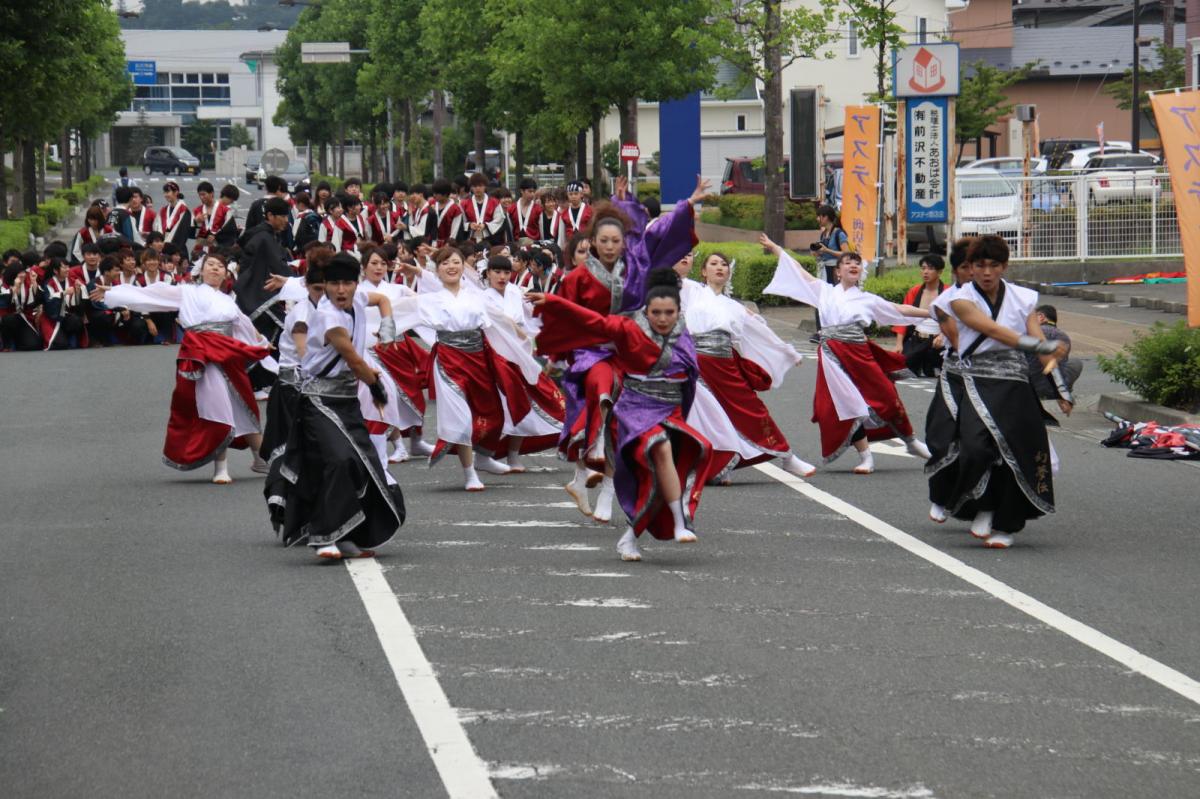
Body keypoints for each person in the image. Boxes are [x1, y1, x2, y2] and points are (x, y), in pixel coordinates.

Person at [530, 269, 718, 562]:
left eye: (669, 312)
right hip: (634, 411)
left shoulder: (683, 336)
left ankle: (629, 538)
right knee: (661, 447)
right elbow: (591, 319)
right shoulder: (628, 328)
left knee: (668, 469)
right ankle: (680, 521)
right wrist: (553, 302)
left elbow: (689, 382)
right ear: (646, 310)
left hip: (670, 410)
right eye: (656, 312)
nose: (663, 318)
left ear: (679, 312)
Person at [549, 175, 705, 523]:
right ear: (591, 242)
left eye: (615, 240)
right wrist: (556, 356)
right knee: (603, 391)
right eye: (602, 240)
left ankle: (601, 488)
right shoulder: (575, 279)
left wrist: (688, 203)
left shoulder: (636, 264)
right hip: (592, 354)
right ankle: (590, 463)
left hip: (629, 350)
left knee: (619, 424)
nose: (609, 246)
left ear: (623, 243)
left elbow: (654, 234)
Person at [266, 252, 406, 559]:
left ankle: (346, 535)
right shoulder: (328, 316)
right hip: (318, 399)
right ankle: (323, 535)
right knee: (339, 460)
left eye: (346, 283)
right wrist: (376, 386)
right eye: (333, 284)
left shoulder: (357, 299)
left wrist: (387, 328)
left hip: (347, 398)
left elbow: (382, 300)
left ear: (356, 284)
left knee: (359, 464)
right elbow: (354, 359)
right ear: (325, 286)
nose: (340, 290)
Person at [91, 253, 273, 483]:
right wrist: (114, 292)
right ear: (201, 270)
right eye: (211, 265)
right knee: (218, 405)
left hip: (226, 354)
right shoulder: (187, 292)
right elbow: (152, 294)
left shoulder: (228, 300)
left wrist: (262, 342)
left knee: (243, 404)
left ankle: (261, 459)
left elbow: (244, 325)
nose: (215, 269)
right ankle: (221, 466)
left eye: (220, 266)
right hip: (201, 352)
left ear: (226, 273)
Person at [935, 235, 1069, 548]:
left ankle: (1005, 525)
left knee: (1015, 455)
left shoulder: (1023, 298)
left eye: (994, 265)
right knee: (976, 449)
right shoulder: (960, 299)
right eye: (979, 265)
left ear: (1003, 266)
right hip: (977, 380)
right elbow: (995, 331)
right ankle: (983, 505)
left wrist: (1060, 382)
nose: (986, 272)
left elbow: (1038, 343)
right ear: (970, 267)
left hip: (1015, 382)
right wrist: (1044, 344)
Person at [761, 235, 932, 474]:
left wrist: (930, 313)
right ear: (837, 272)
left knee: (885, 395)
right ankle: (866, 457)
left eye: (857, 263)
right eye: (847, 263)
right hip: (832, 355)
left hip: (860, 354)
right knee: (845, 404)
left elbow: (899, 310)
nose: (853, 265)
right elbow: (799, 272)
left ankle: (911, 441)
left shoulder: (867, 299)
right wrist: (777, 248)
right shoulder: (824, 292)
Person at [390, 245, 553, 490]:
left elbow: (499, 321)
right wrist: (363, 331)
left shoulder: (475, 296)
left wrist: (524, 341)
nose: (451, 266)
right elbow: (393, 316)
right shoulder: (429, 300)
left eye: (455, 261)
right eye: (445, 263)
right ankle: (469, 474)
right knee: (461, 417)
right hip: (448, 361)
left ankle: (484, 457)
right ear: (438, 270)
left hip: (478, 358)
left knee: (491, 411)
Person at [680, 252, 817, 482]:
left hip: (724, 363)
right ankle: (713, 466)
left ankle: (787, 456)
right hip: (696, 364)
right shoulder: (689, 291)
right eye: (713, 264)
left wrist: (787, 351)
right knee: (703, 416)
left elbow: (759, 331)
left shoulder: (733, 306)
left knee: (752, 409)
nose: (719, 268)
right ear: (703, 271)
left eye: (724, 264)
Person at [234, 196, 294, 351]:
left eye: (287, 216)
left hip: (251, 292)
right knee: (277, 334)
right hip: (259, 295)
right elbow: (278, 266)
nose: (286, 220)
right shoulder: (264, 238)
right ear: (270, 216)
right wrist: (298, 279)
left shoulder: (264, 234)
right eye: (283, 216)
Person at [892, 253, 947, 377]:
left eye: (930, 268)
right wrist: (899, 343)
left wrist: (943, 335)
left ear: (940, 272)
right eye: (923, 268)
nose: (926, 272)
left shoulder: (947, 292)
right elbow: (902, 318)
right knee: (901, 362)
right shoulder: (914, 291)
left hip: (937, 342)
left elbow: (954, 319)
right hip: (916, 339)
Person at [807, 205, 849, 342]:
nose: (818, 218)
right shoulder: (823, 233)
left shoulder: (839, 233)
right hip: (823, 270)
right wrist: (817, 252)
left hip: (834, 272)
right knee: (820, 301)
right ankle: (821, 332)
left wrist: (827, 251)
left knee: (833, 302)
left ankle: (833, 332)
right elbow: (822, 253)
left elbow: (847, 253)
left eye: (820, 216)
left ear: (826, 217)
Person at [1026, 305, 1082, 400]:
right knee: (1076, 363)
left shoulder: (1029, 333)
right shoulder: (1064, 337)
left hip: (1030, 387)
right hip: (1055, 390)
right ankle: (1066, 390)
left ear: (1041, 317)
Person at [38, 257, 86, 350]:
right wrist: (63, 293)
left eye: (68, 267)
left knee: (76, 321)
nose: (68, 269)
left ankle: (70, 336)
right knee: (59, 345)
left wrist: (78, 291)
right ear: (55, 271)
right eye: (64, 267)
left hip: (67, 315)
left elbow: (77, 304)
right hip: (51, 318)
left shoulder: (73, 280)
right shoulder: (49, 284)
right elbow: (49, 304)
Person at [245, 176, 294, 253]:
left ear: (265, 187)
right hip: (278, 247)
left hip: (257, 247)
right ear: (279, 187)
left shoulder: (256, 204)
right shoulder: (282, 204)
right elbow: (288, 227)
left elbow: (249, 227)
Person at [460, 172, 506, 246]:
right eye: (475, 186)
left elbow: (499, 220)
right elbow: (461, 222)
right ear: (471, 187)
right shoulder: (464, 203)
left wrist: (485, 225)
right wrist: (469, 225)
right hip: (471, 241)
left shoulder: (494, 202)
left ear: (485, 186)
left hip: (490, 240)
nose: (477, 188)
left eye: (480, 186)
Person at [155, 181, 193, 253]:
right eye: (164, 192)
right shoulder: (163, 210)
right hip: (163, 248)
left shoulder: (183, 210)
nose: (166, 195)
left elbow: (183, 233)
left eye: (168, 192)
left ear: (176, 192)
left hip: (178, 250)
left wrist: (174, 250)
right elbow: (158, 228)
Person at [558, 181, 593, 246]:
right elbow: (561, 235)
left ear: (581, 194)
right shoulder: (564, 214)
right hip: (570, 245)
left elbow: (593, 229)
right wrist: (561, 248)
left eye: (576, 194)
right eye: (570, 194)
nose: (573, 196)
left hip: (586, 245)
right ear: (567, 195)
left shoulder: (590, 211)